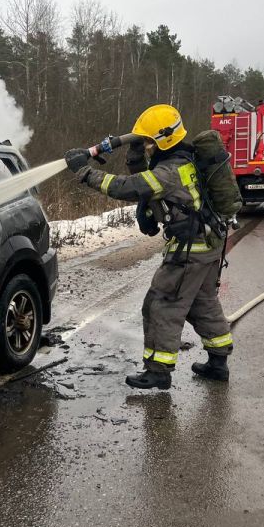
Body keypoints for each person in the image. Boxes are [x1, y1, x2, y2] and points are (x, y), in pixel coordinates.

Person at [64, 104, 241, 389]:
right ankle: (218, 363)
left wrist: (84, 172)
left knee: (161, 305)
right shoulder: (186, 158)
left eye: (148, 142)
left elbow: (125, 187)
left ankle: (158, 371)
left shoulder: (169, 172)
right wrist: (135, 154)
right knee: (203, 303)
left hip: (189, 252)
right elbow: (147, 182)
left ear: (163, 140)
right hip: (209, 244)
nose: (146, 147)